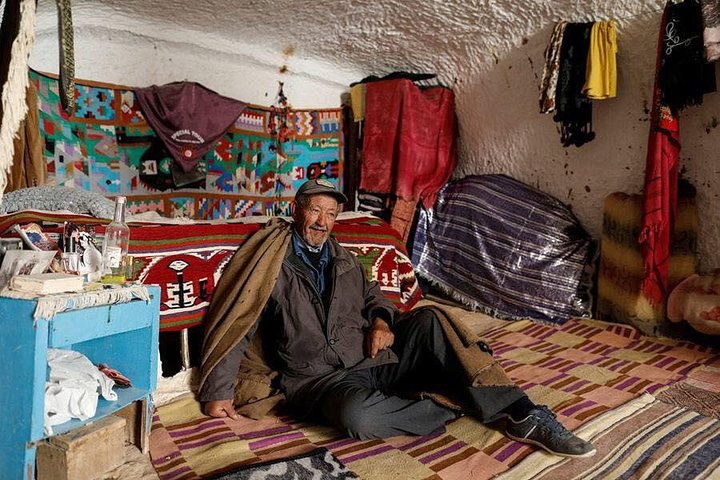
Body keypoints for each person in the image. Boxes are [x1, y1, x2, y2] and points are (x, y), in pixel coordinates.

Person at [199, 179, 596, 458]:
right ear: (295, 210)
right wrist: (218, 390)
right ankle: (454, 403)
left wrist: (381, 323)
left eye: (331, 214)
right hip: (319, 381)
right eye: (315, 210)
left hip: (372, 361)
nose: (322, 221)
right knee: (358, 417)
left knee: (430, 319)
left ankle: (522, 413)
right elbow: (241, 321)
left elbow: (377, 297)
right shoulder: (272, 265)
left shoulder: (344, 260)